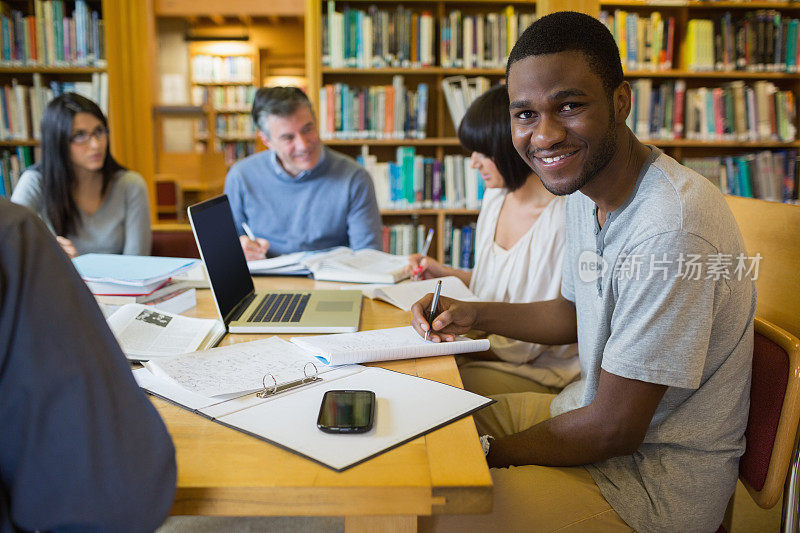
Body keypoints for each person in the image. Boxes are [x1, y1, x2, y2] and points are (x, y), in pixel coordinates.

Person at [412, 12, 755, 532]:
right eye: (525, 114)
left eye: (569, 106)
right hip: (580, 414)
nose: (545, 135)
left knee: (434, 511)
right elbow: (570, 314)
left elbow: (614, 430)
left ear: (621, 101)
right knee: (420, 432)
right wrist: (472, 311)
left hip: (647, 488)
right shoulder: (581, 187)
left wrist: (487, 454)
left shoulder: (670, 230)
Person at [0, 199, 176, 531]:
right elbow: (114, 492)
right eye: (78, 140)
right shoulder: (13, 232)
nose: (93, 143)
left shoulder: (127, 186)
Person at [408, 84, 579, 396]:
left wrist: (452, 342)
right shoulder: (495, 197)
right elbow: (497, 285)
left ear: (510, 147)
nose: (474, 163)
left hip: (533, 369)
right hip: (485, 347)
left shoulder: (560, 220)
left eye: (484, 153)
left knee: (425, 388)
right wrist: (443, 272)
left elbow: (525, 346)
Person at [224, 86, 382, 260]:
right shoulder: (241, 177)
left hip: (331, 282)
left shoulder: (355, 178)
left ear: (316, 122)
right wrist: (241, 250)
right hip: (265, 281)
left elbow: (369, 258)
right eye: (288, 138)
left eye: (308, 129)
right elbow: (227, 253)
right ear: (266, 140)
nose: (304, 145)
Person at [11, 93, 151, 257]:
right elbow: (9, 242)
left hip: (120, 282)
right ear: (58, 141)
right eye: (80, 135)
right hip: (57, 282)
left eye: (99, 131)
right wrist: (42, 250)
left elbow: (137, 263)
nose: (95, 144)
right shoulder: (35, 181)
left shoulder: (130, 184)